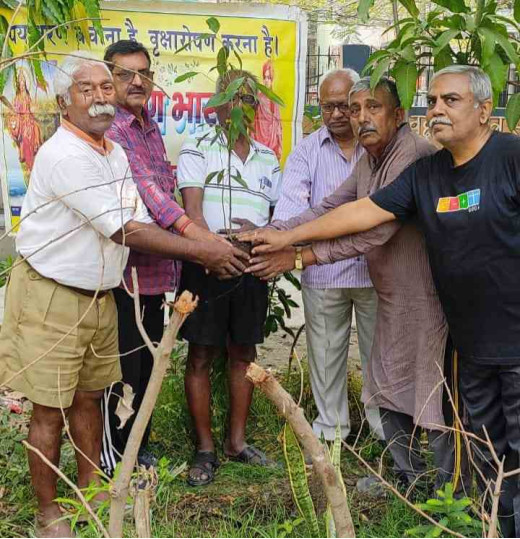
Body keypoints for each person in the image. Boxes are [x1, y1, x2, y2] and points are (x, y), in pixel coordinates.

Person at [244, 66, 520, 534]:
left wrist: (297, 255)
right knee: (486, 444)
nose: (436, 110)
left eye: (450, 100)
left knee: (493, 435)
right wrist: (282, 235)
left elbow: (374, 229)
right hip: (471, 342)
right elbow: (353, 209)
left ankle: (470, 508)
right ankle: (480, 518)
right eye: (432, 100)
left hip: (500, 335)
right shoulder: (427, 171)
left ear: (485, 110)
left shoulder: (505, 157)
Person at [0, 52, 247, 538]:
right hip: (51, 294)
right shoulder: (64, 154)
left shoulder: (111, 150)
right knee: (49, 409)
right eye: (86, 89)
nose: (99, 97)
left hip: (100, 295)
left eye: (103, 88)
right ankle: (50, 512)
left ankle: (91, 491)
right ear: (64, 100)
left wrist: (201, 240)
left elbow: (144, 209)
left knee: (90, 399)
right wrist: (204, 251)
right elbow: (126, 229)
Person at [99, 40, 225, 475]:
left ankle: (138, 447)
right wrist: (199, 238)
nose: (137, 82)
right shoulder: (112, 132)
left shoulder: (149, 126)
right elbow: (151, 197)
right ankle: (114, 459)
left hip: (154, 276)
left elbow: (165, 191)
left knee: (149, 363)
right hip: (123, 278)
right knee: (123, 371)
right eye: (124, 74)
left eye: (144, 73)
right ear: (107, 80)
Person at [177, 69, 282, 486]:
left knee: (244, 353)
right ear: (218, 104)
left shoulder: (267, 157)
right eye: (234, 98)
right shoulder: (199, 146)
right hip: (206, 262)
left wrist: (261, 240)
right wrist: (213, 250)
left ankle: (236, 443)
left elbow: (277, 216)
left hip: (250, 266)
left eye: (251, 100)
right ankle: (204, 449)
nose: (242, 107)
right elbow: (193, 212)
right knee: (201, 354)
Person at [269, 68, 383, 443]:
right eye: (327, 107)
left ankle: (386, 434)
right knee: (325, 356)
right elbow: (290, 210)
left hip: (375, 272)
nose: (335, 115)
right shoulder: (306, 151)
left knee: (379, 357)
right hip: (324, 274)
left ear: (358, 106)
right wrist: (278, 237)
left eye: (343, 106)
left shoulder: (380, 148)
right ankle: (332, 434)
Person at [5, 68, 43, 184]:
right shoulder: (17, 98)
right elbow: (15, 112)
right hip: (22, 124)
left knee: (36, 129)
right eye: (20, 82)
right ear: (18, 85)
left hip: (30, 121)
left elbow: (31, 110)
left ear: (26, 84)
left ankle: (34, 164)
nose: (22, 85)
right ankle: (27, 165)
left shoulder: (28, 96)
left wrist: (33, 109)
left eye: (23, 82)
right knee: (25, 139)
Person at [253, 60, 283, 159]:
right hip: (258, 140)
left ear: (272, 79)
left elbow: (278, 124)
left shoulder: (275, 100)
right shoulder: (258, 98)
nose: (266, 81)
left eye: (269, 78)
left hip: (272, 141)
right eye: (265, 77)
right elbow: (254, 121)